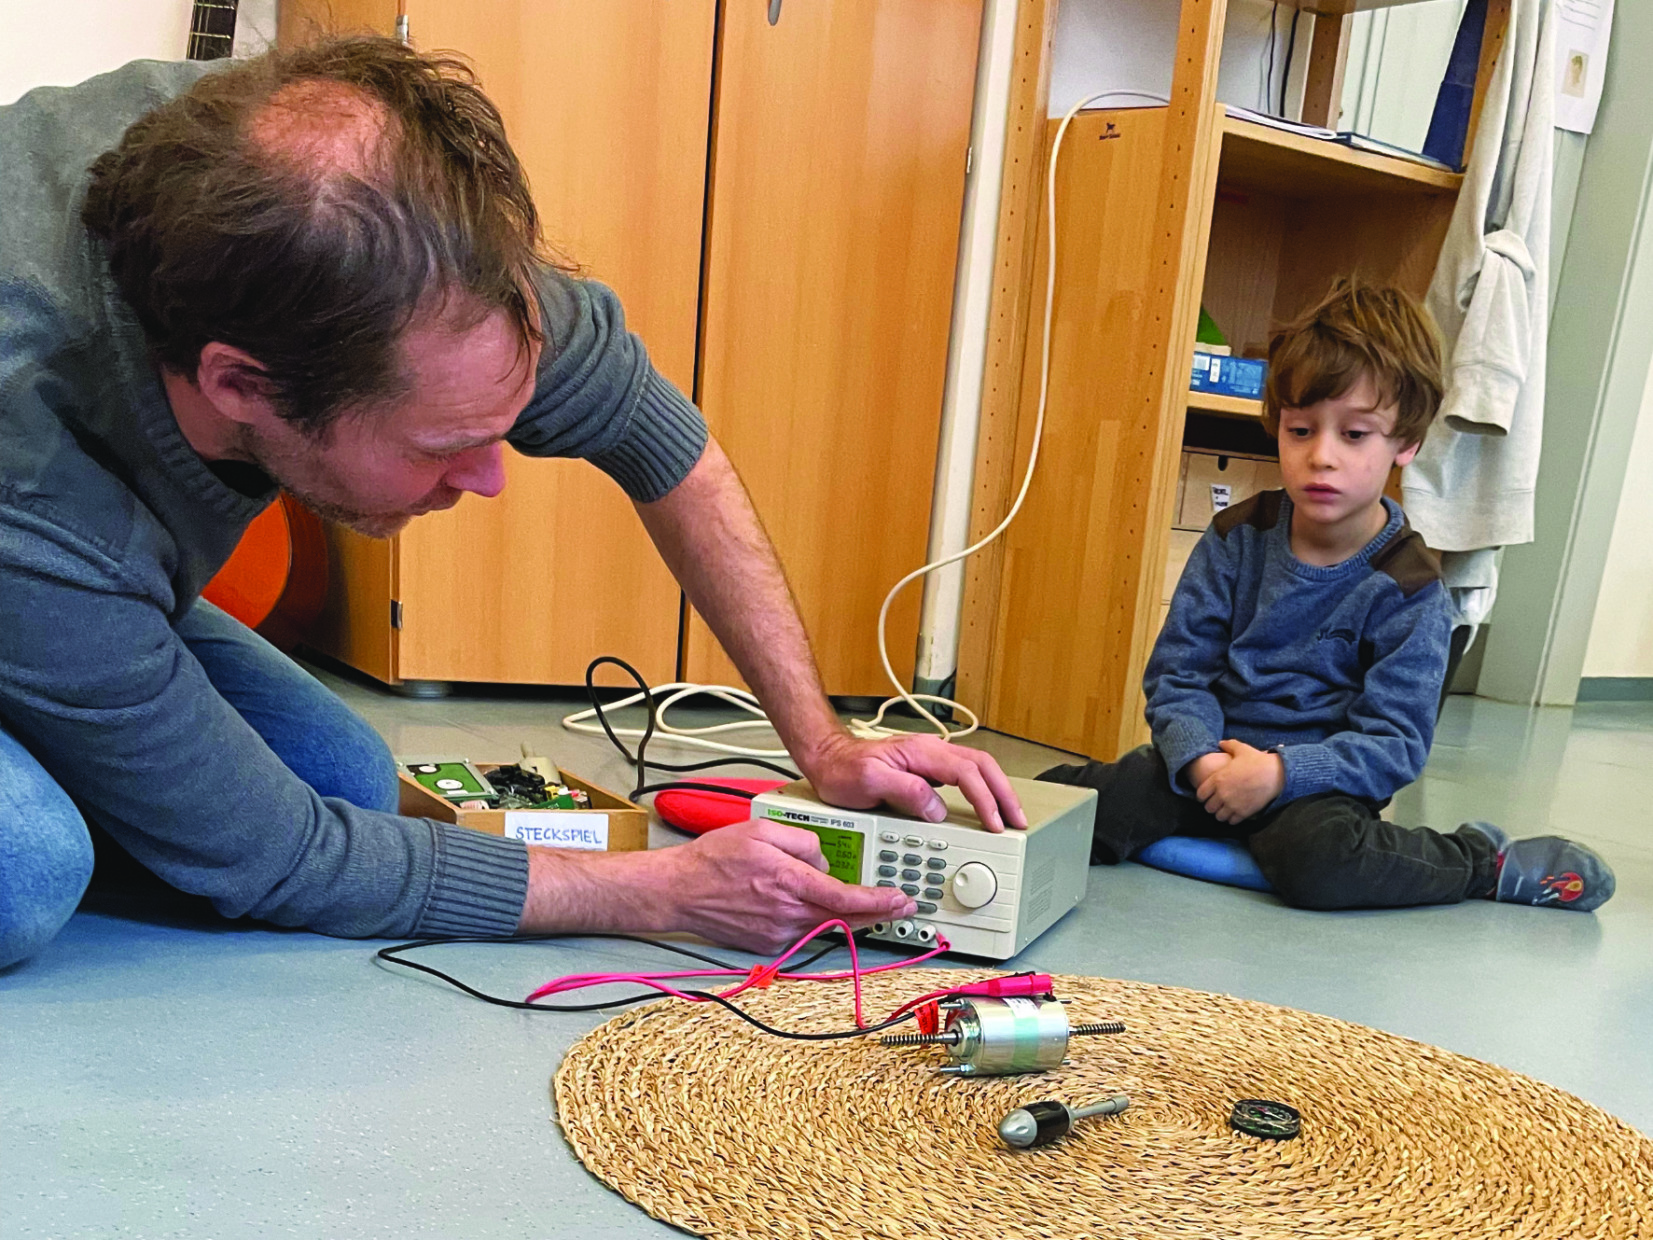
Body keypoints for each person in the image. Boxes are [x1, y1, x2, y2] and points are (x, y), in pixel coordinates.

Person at [0, 38, 1027, 971]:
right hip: (32, 549)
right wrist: (657, 890)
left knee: (343, 777)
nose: (491, 477)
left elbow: (666, 449)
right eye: (442, 447)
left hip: (61, 591)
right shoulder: (36, 477)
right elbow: (289, 857)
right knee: (29, 867)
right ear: (240, 384)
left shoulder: (382, 234)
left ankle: (77, 698)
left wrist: (825, 744)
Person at [1039, 279, 1614, 913]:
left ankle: (1481, 862)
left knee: (1322, 862)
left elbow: (1393, 744)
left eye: (1355, 435)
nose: (1322, 457)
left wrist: (1280, 775)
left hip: (1315, 793)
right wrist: (1201, 762)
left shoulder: (1412, 589)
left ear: (1407, 442)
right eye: (1301, 430)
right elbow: (1179, 675)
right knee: (1065, 802)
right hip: (1210, 769)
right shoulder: (1236, 537)